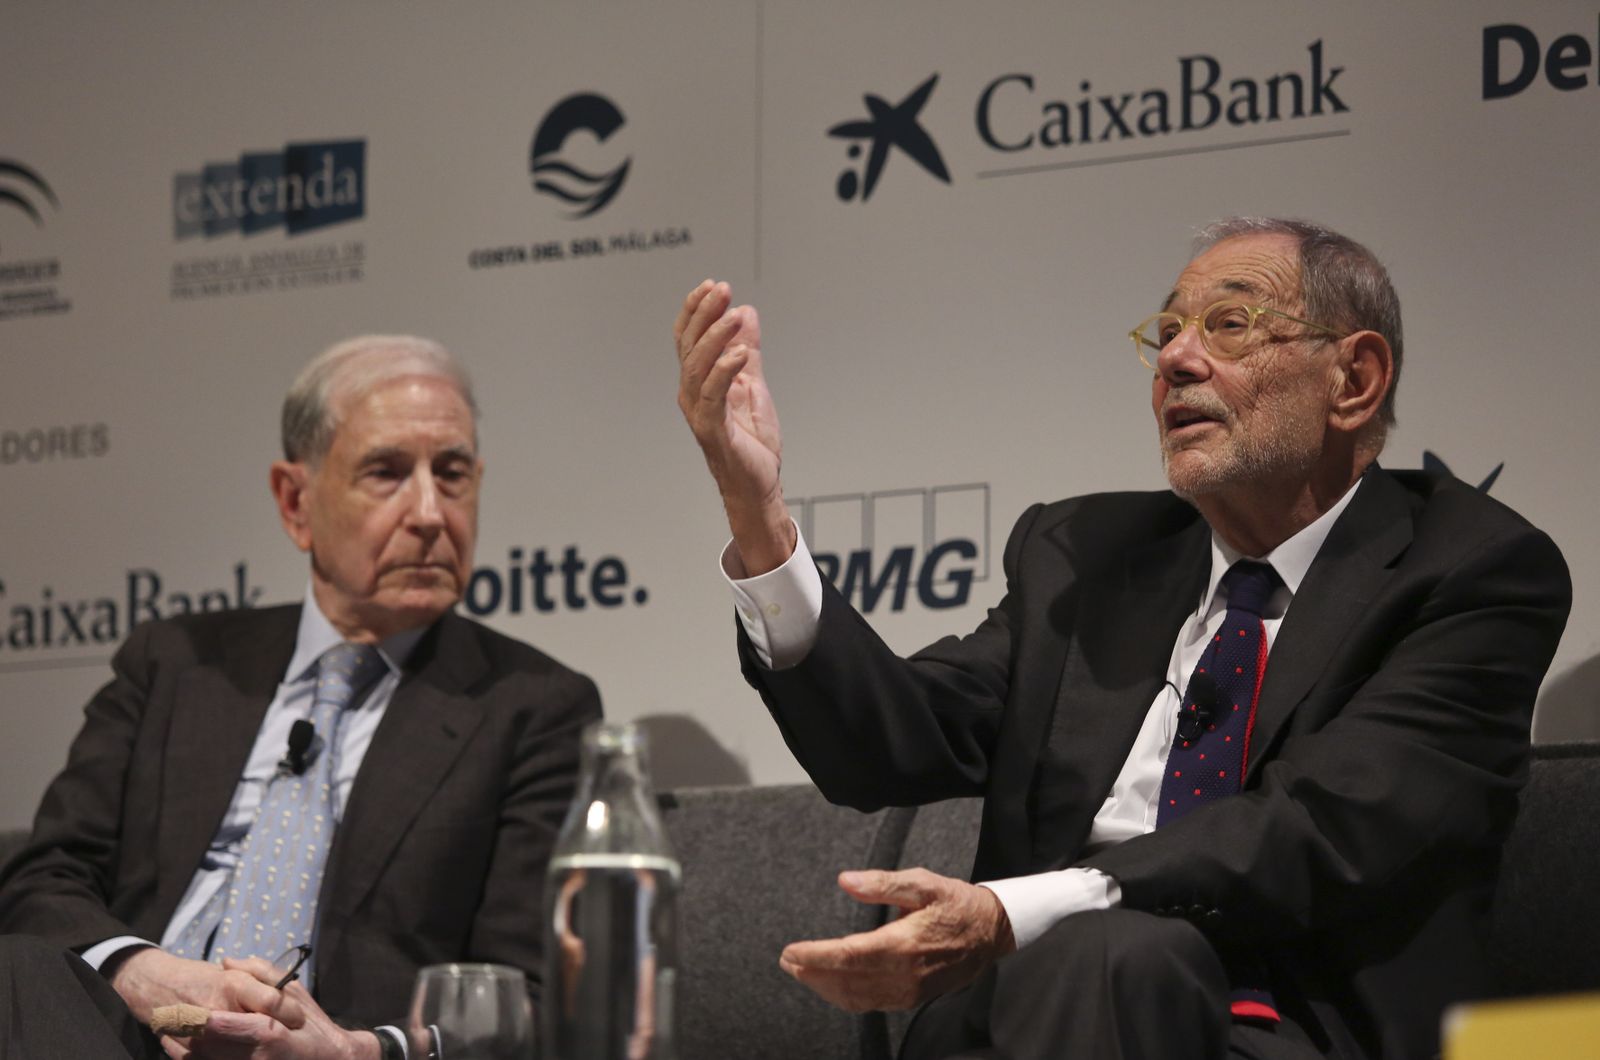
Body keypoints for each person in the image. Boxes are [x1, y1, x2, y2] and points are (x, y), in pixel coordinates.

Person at [672, 218, 1572, 1059]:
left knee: (1109, 953)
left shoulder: (1471, 572)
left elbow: (1325, 825)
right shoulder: (1089, 558)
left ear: (1354, 379)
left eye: (1230, 326)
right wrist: (759, 516)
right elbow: (886, 744)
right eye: (1168, 332)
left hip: (1292, 1029)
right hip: (1030, 1017)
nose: (1177, 359)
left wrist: (1021, 910)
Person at [0, 335, 602, 1059]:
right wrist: (145, 975)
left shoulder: (533, 707)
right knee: (18, 967)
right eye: (386, 472)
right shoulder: (174, 664)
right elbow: (42, 882)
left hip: (335, 1051)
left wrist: (357, 1050)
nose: (430, 513)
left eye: (451, 474)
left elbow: (530, 996)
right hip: (116, 1035)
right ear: (296, 502)